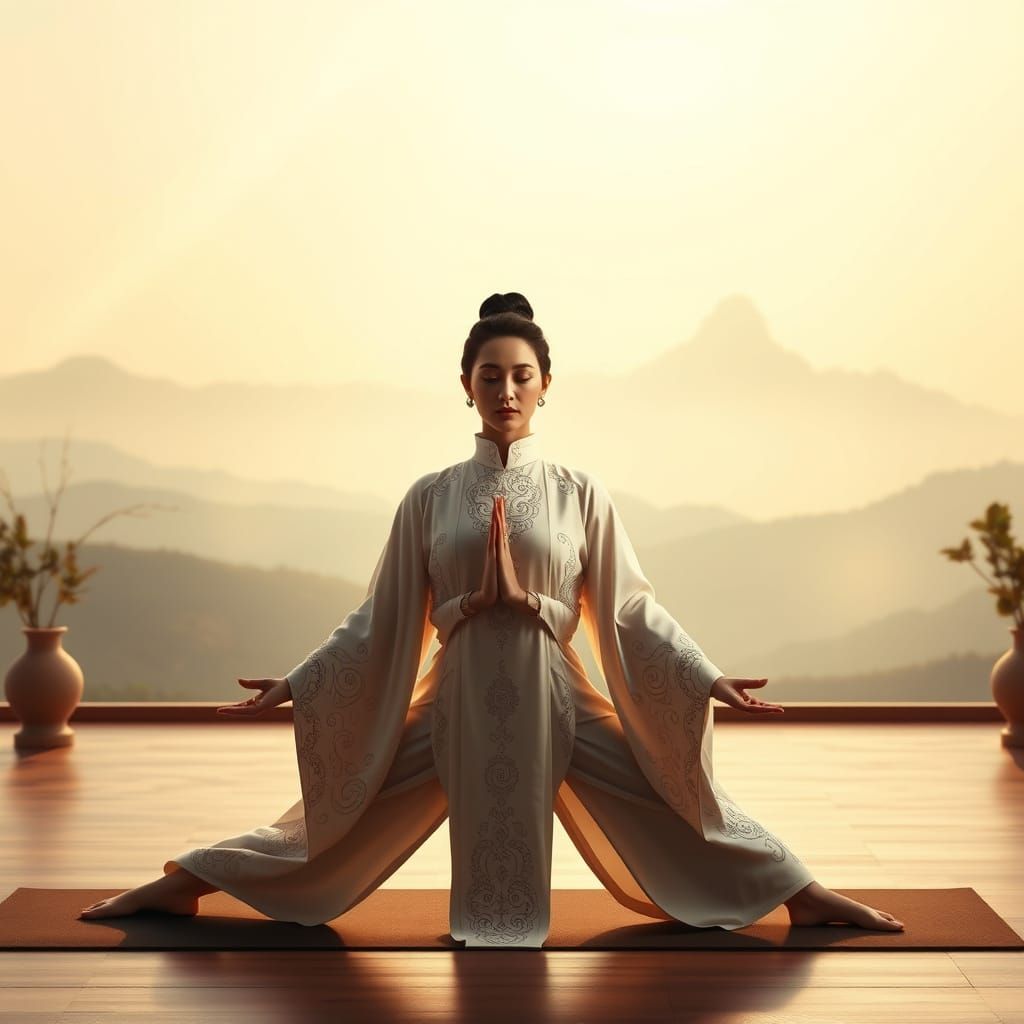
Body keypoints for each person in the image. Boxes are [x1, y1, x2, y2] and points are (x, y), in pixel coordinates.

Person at [79, 292, 905, 944]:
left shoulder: (581, 493)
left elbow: (628, 606)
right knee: (332, 822)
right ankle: (185, 882)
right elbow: (380, 617)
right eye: (489, 376)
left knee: (678, 806)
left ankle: (808, 896)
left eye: (521, 376)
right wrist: (300, 683)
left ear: (546, 385)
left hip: (556, 701)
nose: (505, 391)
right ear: (466, 386)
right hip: (458, 704)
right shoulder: (432, 496)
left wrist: (703, 673)